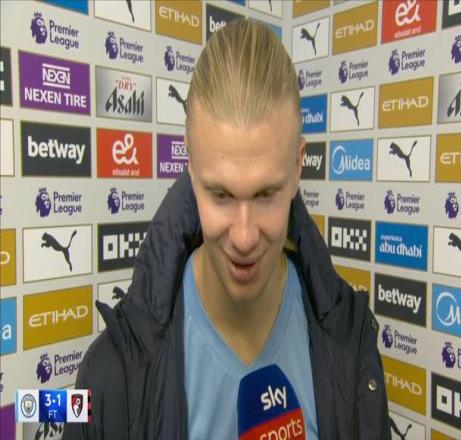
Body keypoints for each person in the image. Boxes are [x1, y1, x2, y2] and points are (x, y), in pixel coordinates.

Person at [63, 19, 389, 440]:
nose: (244, 237)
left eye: (265, 194)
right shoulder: (111, 374)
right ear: (190, 166)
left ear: (297, 167)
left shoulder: (353, 345)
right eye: (221, 195)